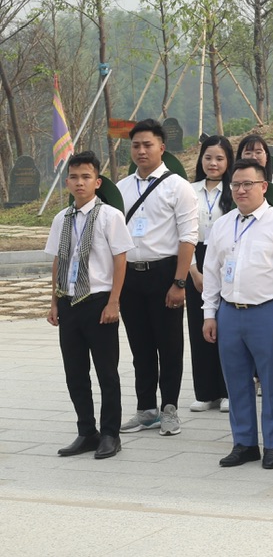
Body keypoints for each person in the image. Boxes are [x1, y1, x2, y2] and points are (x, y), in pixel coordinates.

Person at [202, 159, 273, 469]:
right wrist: (209, 314)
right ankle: (244, 442)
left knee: (272, 381)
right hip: (229, 313)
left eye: (248, 184)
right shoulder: (223, 224)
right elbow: (211, 272)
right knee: (236, 382)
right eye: (236, 184)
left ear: (264, 186)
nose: (241, 190)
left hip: (268, 312)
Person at [46, 151, 134, 460]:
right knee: (75, 373)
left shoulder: (110, 216)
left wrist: (114, 301)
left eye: (86, 177)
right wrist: (54, 301)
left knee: (107, 373)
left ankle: (110, 434)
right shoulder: (62, 218)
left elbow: (120, 259)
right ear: (67, 182)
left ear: (97, 182)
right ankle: (86, 431)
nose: (79, 182)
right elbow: (58, 260)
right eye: (74, 177)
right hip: (69, 302)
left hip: (98, 302)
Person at [119, 119, 199, 437]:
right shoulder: (122, 188)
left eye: (147, 145)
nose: (141, 150)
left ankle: (169, 409)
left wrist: (179, 283)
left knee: (169, 346)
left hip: (165, 274)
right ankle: (146, 410)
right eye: (136, 145)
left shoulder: (177, 187)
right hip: (130, 277)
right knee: (140, 347)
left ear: (161, 148)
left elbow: (188, 237)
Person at [188, 136, 235, 413]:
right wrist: (194, 271)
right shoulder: (189, 190)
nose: (213, 163)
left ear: (228, 161)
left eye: (219, 158)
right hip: (195, 259)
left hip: (227, 260)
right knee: (200, 327)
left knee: (226, 327)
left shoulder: (236, 190)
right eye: (208, 157)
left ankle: (228, 390)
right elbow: (183, 233)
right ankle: (205, 392)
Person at [237, 135, 273, 202]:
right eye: (248, 153)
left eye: (258, 152)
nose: (253, 157)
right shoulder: (233, 185)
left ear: (266, 157)